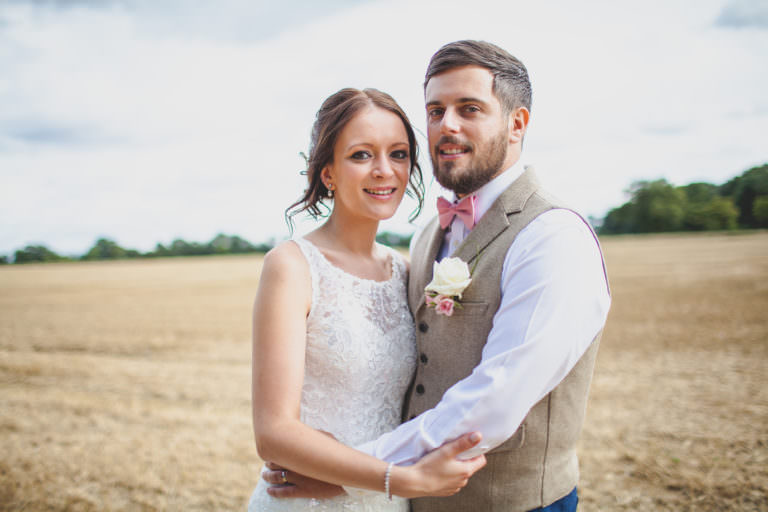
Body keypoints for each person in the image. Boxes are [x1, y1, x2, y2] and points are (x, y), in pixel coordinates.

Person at [262, 40, 611, 512]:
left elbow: (495, 401)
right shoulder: (426, 239)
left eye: (470, 108)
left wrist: (351, 475)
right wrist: (385, 480)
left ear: (517, 124)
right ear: (327, 172)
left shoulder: (553, 236)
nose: (447, 125)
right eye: (435, 110)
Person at [246, 87, 487, 511]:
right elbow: (273, 433)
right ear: (328, 173)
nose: (384, 171)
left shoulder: (406, 272)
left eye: (398, 154)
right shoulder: (292, 266)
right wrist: (400, 479)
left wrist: (352, 485)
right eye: (361, 155)